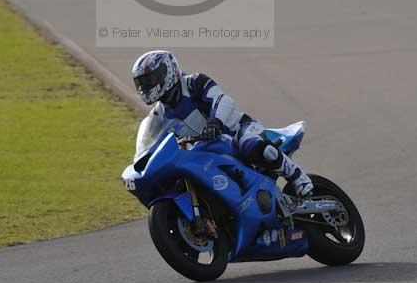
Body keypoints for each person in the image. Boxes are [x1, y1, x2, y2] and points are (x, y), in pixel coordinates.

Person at [132, 50, 313, 197]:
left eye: (148, 80)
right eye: (141, 83)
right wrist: (142, 160)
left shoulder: (194, 83)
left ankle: (297, 177)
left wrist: (215, 122)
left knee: (252, 146)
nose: (145, 87)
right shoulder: (158, 116)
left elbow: (223, 100)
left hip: (237, 130)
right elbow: (154, 145)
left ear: (166, 71)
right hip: (206, 150)